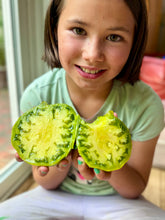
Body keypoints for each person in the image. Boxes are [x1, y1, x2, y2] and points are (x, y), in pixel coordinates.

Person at [0, 0, 165, 219]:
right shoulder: (38, 96)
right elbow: (44, 182)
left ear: (135, 42)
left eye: (114, 37)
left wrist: (107, 163)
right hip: (55, 197)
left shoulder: (146, 105)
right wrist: (60, 160)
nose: (92, 54)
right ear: (54, 29)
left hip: (118, 201)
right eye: (79, 30)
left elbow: (134, 188)